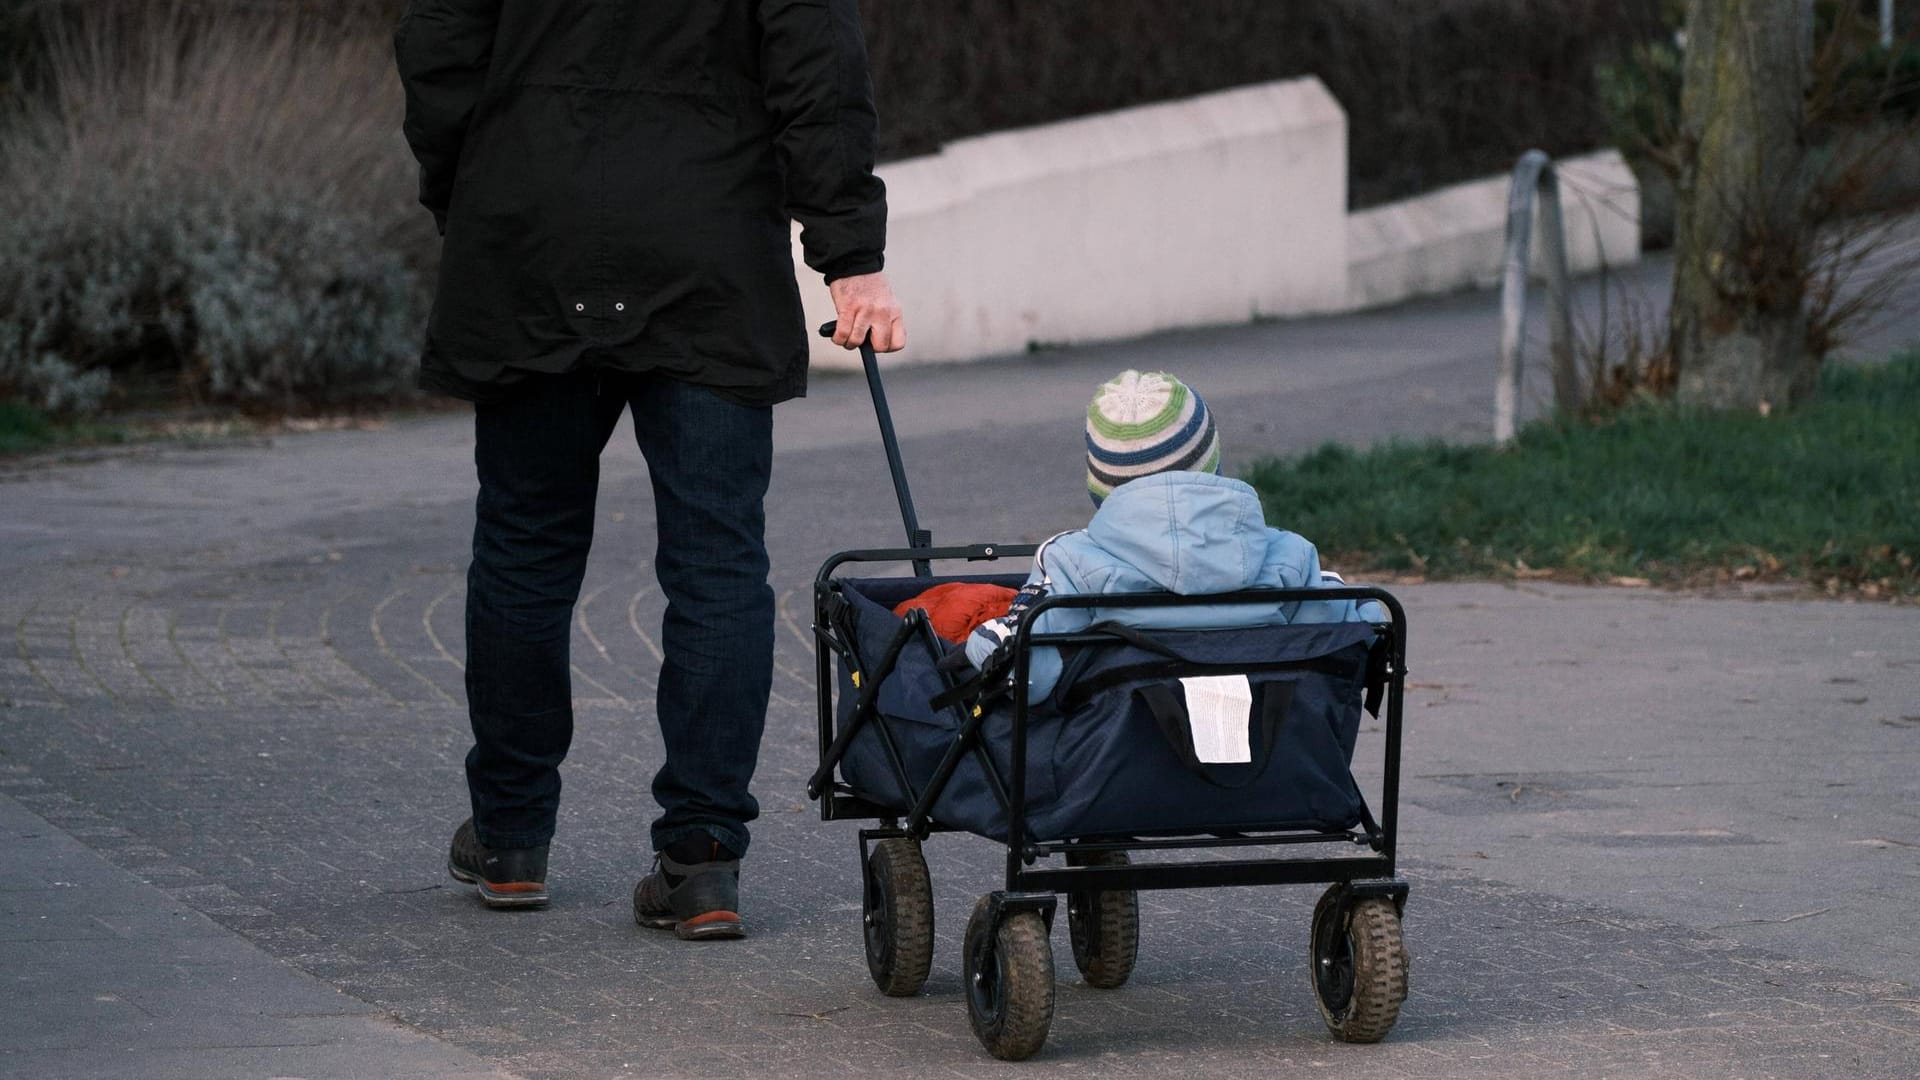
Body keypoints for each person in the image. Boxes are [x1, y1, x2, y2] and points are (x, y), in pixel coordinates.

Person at [395, 0, 903, 939]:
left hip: (531, 226)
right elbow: (816, 66)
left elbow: (438, 46)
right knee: (715, 561)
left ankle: (510, 839)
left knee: (524, 545)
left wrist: (467, 189)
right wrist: (848, 254)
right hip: (704, 238)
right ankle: (702, 856)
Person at [963, 370, 1383, 702]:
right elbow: (1343, 642)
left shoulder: (1072, 563)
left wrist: (985, 642)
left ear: (1102, 484)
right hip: (1276, 773)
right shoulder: (1288, 556)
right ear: (1212, 462)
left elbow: (1031, 681)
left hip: (1114, 779)